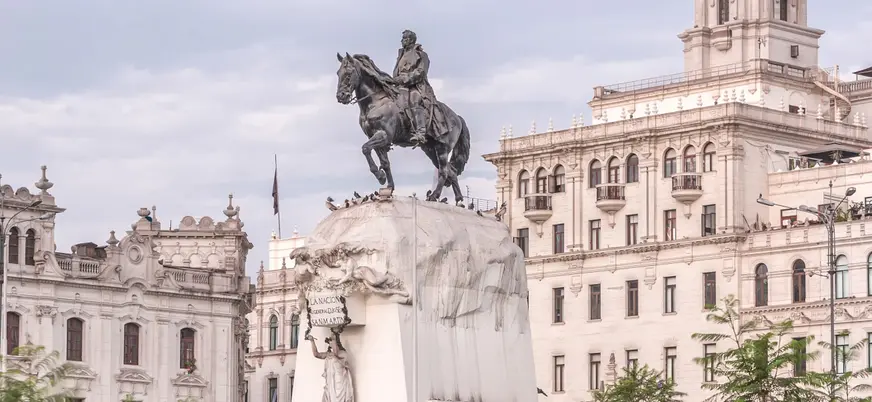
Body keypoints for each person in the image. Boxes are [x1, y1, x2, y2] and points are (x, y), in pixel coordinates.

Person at [393, 29, 434, 147]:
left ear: (411, 40)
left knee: (414, 100)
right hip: (400, 86)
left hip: (416, 86)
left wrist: (405, 79)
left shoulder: (421, 55)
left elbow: (421, 72)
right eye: (402, 39)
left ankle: (421, 131)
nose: (402, 41)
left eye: (405, 39)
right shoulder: (401, 54)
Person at [306, 334, 354, 402]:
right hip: (330, 379)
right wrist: (312, 341)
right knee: (331, 396)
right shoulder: (328, 354)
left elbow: (336, 353)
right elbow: (316, 354)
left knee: (340, 397)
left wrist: (334, 339)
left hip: (339, 381)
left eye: (332, 342)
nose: (330, 344)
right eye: (330, 343)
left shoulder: (343, 353)